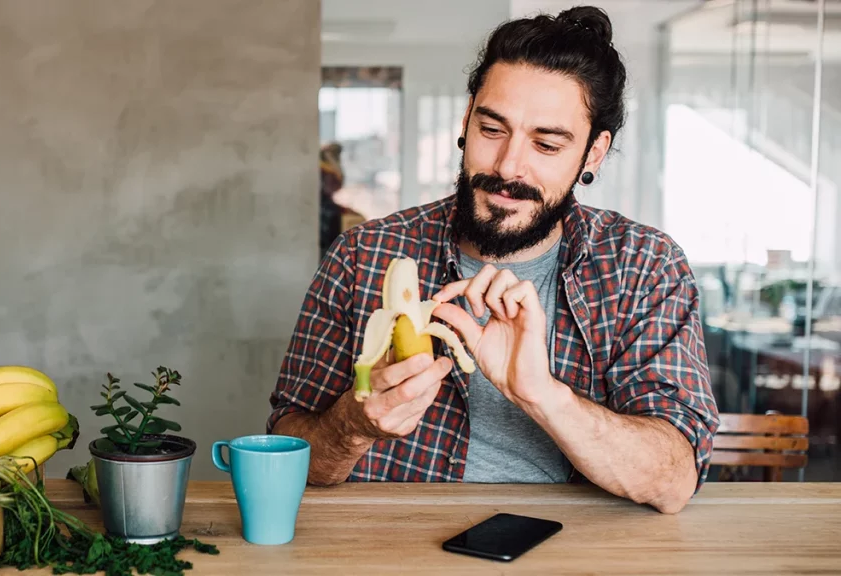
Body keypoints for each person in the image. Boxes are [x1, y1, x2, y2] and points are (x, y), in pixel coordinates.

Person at [268, 6, 719, 514]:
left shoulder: (645, 266)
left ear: (593, 153)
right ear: (466, 121)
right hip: (389, 548)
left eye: (546, 144)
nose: (508, 167)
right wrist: (354, 425)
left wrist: (542, 395)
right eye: (492, 130)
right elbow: (287, 450)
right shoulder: (364, 254)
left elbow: (674, 479)